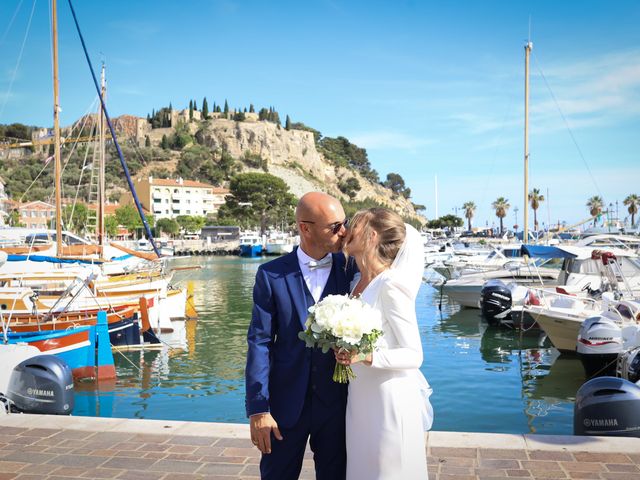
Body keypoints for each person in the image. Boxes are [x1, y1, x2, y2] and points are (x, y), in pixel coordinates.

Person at [245, 191, 356, 480]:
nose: (343, 232)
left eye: (344, 223)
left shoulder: (353, 270)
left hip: (339, 406)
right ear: (305, 228)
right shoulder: (270, 275)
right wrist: (259, 409)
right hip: (284, 407)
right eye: (334, 227)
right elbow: (260, 342)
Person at [336, 207, 433, 480]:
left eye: (355, 225)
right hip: (360, 397)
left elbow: (414, 355)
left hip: (387, 398)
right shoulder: (358, 282)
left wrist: (366, 356)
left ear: (372, 236)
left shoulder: (391, 284)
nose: (346, 230)